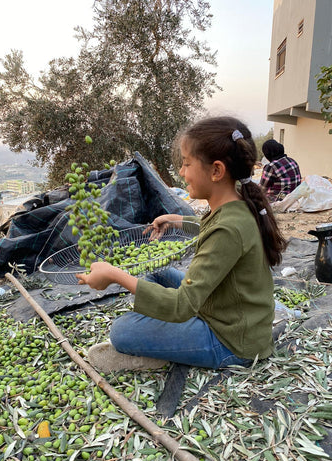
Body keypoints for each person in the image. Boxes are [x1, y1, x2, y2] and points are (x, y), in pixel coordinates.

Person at [76, 116, 287, 374]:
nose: (181, 172)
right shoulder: (238, 206)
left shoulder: (228, 228)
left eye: (186, 164)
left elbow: (181, 306)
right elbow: (210, 229)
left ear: (216, 171)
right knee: (160, 275)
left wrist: (114, 275)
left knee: (121, 332)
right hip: (228, 310)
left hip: (231, 342)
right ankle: (166, 336)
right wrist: (177, 221)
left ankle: (158, 350)